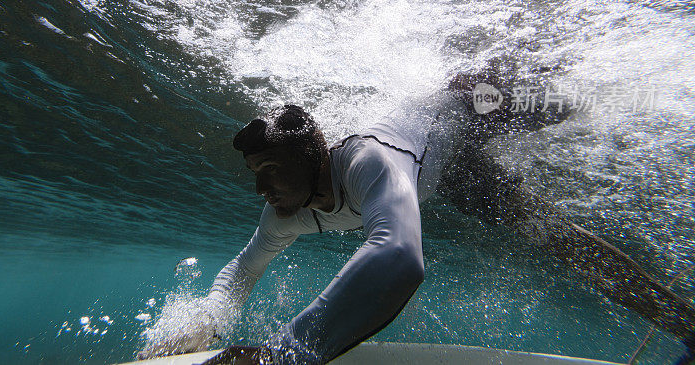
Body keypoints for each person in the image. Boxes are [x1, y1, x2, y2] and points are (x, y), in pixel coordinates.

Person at [138, 66, 695, 365]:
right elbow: (241, 270)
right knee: (552, 236)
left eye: (271, 170)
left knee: (564, 106)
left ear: (313, 156)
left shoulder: (366, 162)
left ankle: (631, 90)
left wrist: (282, 357)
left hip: (463, 105)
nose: (260, 189)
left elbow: (400, 256)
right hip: (448, 169)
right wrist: (199, 324)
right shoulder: (284, 208)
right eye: (255, 173)